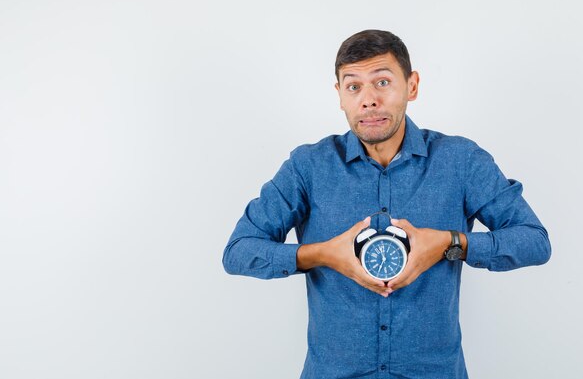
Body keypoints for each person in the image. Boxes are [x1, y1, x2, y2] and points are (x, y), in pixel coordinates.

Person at [222, 29, 551, 379]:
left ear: (412, 86)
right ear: (339, 95)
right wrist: (321, 254)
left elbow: (534, 241)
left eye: (382, 82)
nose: (368, 100)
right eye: (353, 86)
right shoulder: (308, 167)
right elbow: (239, 251)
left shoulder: (461, 161)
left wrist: (449, 243)